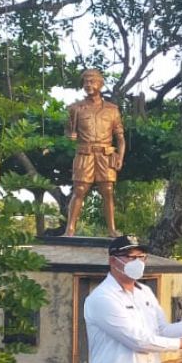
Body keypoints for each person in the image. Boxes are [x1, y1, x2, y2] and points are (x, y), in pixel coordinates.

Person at [64, 69, 126, 237]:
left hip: (105, 156)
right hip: (85, 154)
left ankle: (112, 229)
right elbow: (68, 131)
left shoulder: (112, 110)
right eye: (86, 82)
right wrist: (70, 135)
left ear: (100, 84)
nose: (88, 85)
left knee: (107, 191)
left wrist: (120, 157)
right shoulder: (75, 109)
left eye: (92, 82)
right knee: (80, 190)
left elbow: (120, 138)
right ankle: (69, 229)